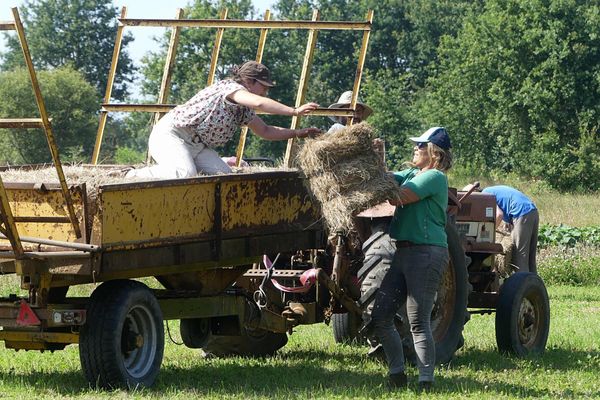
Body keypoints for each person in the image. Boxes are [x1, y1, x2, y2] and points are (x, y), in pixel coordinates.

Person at [127, 61, 321, 179]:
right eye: (264, 86)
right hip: (172, 135)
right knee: (185, 174)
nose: (266, 91)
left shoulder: (242, 108)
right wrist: (294, 111)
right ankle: (129, 175)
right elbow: (260, 103)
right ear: (248, 81)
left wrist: (297, 133)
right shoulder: (229, 89)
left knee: (225, 177)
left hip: (197, 145)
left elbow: (265, 131)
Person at [371, 127, 452, 392]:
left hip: (427, 252)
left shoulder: (435, 178)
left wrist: (381, 184)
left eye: (420, 144)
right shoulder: (412, 174)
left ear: (434, 152)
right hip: (403, 252)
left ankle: (425, 381)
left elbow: (401, 196)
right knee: (381, 314)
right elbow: (387, 179)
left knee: (417, 320)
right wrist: (371, 167)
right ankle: (397, 374)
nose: (415, 148)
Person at [482, 185, 539, 273]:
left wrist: (490, 231)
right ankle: (534, 285)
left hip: (521, 213)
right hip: (532, 211)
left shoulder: (485, 194)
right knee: (530, 259)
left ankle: (522, 285)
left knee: (519, 258)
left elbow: (499, 215)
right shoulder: (492, 190)